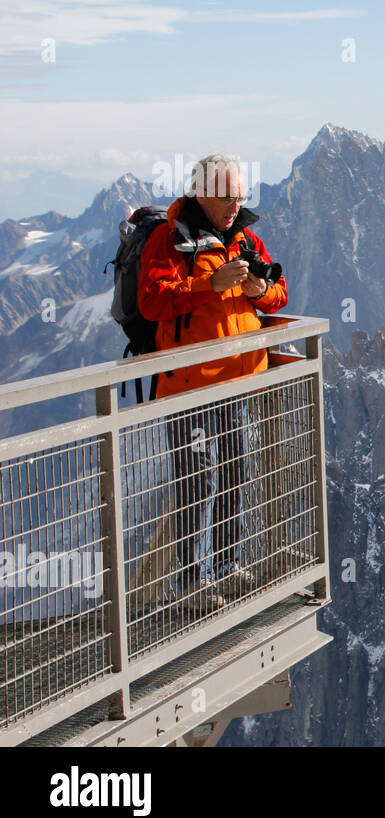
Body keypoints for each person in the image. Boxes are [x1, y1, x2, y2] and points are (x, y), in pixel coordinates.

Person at [137, 154, 288, 612]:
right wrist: (211, 285)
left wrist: (259, 292)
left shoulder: (246, 238)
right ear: (201, 191)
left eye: (239, 196)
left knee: (235, 469)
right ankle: (187, 582)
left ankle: (225, 566)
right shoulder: (169, 239)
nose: (233, 204)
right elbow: (151, 302)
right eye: (226, 197)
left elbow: (279, 292)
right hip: (189, 386)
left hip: (237, 380)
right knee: (197, 477)